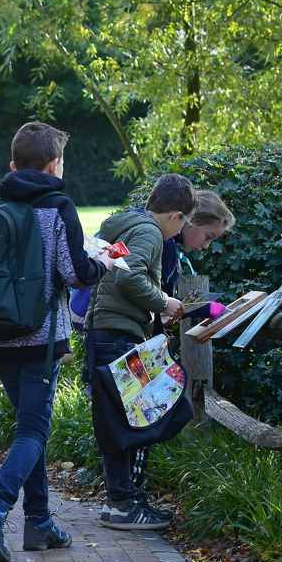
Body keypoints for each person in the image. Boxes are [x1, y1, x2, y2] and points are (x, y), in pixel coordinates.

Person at [0, 121, 114, 562]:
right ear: (54, 165)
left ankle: (40, 522)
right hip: (41, 340)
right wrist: (103, 262)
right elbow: (75, 273)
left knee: (31, 430)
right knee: (32, 430)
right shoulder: (58, 205)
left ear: (14, 165)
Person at [88, 173, 198, 530]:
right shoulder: (150, 232)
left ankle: (119, 502)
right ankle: (123, 504)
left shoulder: (122, 225)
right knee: (130, 421)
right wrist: (164, 300)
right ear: (176, 216)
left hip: (103, 329)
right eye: (184, 225)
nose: (179, 235)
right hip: (121, 333)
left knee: (116, 419)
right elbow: (129, 278)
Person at [128, 190, 236, 491]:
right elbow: (153, 299)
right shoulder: (162, 245)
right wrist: (201, 309)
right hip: (137, 342)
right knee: (143, 422)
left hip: (136, 338)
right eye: (208, 236)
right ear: (189, 220)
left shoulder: (163, 243)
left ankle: (128, 496)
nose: (205, 246)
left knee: (141, 421)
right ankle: (129, 497)